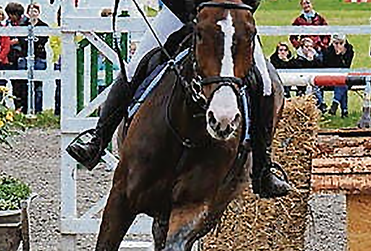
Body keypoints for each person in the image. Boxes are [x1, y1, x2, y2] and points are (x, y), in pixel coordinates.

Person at [66, 1, 291, 199]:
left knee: (265, 83)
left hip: (231, 20)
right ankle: (97, 141)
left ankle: (263, 168)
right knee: (134, 70)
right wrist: (193, 12)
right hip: (181, 14)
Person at [18, 2, 48, 114]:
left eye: (35, 11)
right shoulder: (22, 26)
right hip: (25, 56)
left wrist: (32, 41)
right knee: (24, 84)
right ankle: (25, 109)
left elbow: (43, 40)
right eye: (31, 11)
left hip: (39, 57)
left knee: (38, 85)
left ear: (38, 13)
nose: (33, 13)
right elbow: (22, 41)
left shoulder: (44, 26)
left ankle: (38, 109)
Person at [323, 34, 353, 118]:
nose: (338, 45)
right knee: (342, 84)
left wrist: (341, 55)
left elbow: (346, 66)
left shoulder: (349, 51)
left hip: (343, 77)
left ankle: (335, 104)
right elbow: (329, 66)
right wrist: (336, 55)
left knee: (342, 83)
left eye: (341, 43)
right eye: (336, 43)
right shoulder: (328, 51)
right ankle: (344, 110)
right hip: (330, 77)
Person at [6, 2, 28, 111]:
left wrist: (18, 40)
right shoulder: (7, 24)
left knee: (24, 84)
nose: (10, 17)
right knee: (15, 84)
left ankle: (24, 108)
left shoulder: (26, 23)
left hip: (23, 55)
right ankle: (17, 107)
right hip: (11, 56)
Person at [293, 36, 325, 111]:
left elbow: (320, 67)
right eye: (306, 46)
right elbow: (301, 69)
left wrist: (313, 59)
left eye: (311, 46)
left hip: (314, 80)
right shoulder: (298, 58)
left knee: (316, 88)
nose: (309, 48)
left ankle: (320, 105)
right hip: (301, 81)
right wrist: (309, 60)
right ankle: (321, 104)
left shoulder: (316, 56)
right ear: (302, 47)